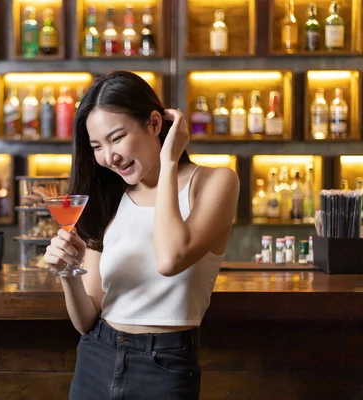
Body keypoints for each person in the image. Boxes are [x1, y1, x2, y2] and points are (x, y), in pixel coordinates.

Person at [43, 71, 240, 399]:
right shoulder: (109, 198)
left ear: (154, 123)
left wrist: (169, 161)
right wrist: (67, 273)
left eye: (117, 138)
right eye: (97, 146)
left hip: (164, 366)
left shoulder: (216, 183)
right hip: (96, 357)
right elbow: (87, 319)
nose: (109, 157)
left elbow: (170, 257)